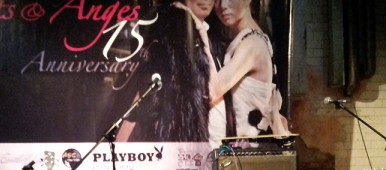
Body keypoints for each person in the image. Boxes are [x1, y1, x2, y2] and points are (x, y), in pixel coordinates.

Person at [116, 0, 226, 145]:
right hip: (184, 145)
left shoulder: (213, 37)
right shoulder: (171, 31)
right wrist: (120, 143)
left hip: (209, 140)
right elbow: (144, 88)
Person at [186, 0, 290, 143]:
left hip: (245, 149)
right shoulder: (250, 38)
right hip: (238, 146)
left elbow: (211, 91)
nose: (223, 6)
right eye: (217, 0)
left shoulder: (252, 44)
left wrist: (200, 30)